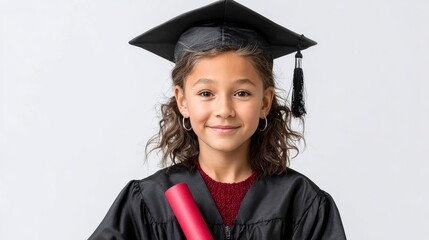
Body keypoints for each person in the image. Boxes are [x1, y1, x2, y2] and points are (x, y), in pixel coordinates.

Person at [89, 0, 346, 239]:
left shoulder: (301, 204)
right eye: (206, 93)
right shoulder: (148, 202)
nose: (224, 109)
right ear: (183, 101)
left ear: (265, 102)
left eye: (242, 93)